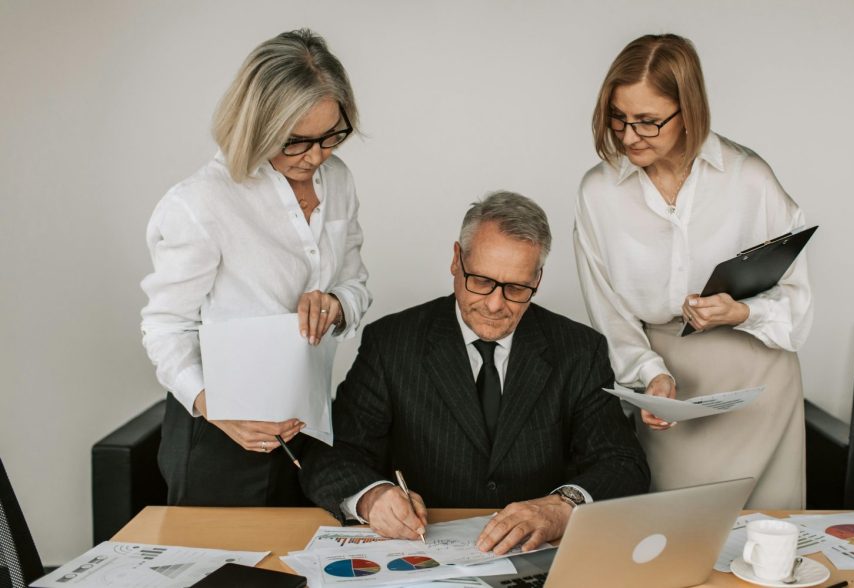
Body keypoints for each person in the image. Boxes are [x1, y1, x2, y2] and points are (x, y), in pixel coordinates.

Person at [300, 191, 649, 553]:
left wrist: (563, 506)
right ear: (456, 260)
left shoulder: (580, 349)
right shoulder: (392, 343)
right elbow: (332, 455)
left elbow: (623, 463)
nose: (495, 305)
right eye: (481, 281)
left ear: (538, 280)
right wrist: (372, 497)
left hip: (536, 553)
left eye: (516, 288)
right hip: (423, 552)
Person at [574, 34, 812, 509]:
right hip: (671, 391)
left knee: (768, 536)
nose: (628, 136)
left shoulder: (749, 178)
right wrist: (651, 376)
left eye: (648, 122)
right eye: (618, 117)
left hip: (762, 388)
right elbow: (610, 318)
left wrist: (740, 312)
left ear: (689, 110)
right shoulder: (598, 194)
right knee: (670, 534)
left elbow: (798, 306)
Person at [140, 29, 372, 506]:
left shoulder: (338, 180)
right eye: (296, 142)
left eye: (331, 136)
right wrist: (216, 408)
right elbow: (164, 328)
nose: (316, 156)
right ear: (258, 125)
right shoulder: (201, 202)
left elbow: (355, 283)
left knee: (306, 553)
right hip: (219, 433)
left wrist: (335, 303)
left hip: (305, 419)